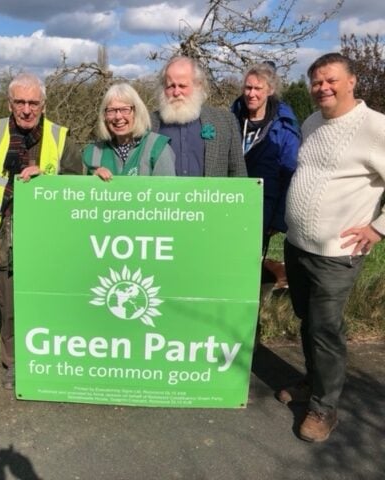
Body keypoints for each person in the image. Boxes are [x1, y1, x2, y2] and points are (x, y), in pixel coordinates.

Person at [279, 53, 385, 442]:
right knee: (308, 321)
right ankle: (313, 381)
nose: (322, 87)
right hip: (299, 245)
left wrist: (378, 229)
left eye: (331, 80)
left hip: (337, 254)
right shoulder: (312, 122)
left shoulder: (376, 127)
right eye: (317, 81)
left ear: (351, 81)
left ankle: (324, 408)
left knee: (325, 327)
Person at [0, 73, 82, 389]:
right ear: (10, 104)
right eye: (19, 102)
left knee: (51, 300)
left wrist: (46, 177)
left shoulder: (61, 138)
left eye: (33, 102)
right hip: (5, 234)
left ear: (43, 105)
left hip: (49, 237)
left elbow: (79, 184)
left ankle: (51, 359)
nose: (26, 109)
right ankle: (14, 364)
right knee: (9, 306)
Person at [231, 62, 300, 290]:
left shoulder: (284, 128)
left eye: (257, 89)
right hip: (229, 205)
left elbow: (290, 175)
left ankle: (250, 317)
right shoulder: (231, 119)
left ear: (269, 90)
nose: (251, 94)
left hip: (263, 209)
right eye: (248, 88)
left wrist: (278, 218)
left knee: (249, 265)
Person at [151, 56, 247, 177]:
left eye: (182, 86)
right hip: (162, 196)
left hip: (212, 195)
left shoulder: (226, 121)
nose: (176, 92)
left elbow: (238, 173)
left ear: (198, 85)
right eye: (170, 86)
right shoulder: (148, 124)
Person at [83, 83, 175, 179]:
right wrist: (93, 181)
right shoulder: (94, 151)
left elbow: (166, 191)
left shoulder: (158, 147)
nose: (118, 117)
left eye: (125, 109)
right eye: (111, 111)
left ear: (137, 112)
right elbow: (84, 192)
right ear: (104, 116)